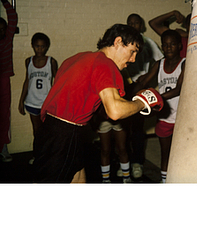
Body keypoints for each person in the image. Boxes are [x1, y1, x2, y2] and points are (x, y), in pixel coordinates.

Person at [33, 24, 164, 183]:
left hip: (57, 131)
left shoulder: (76, 58)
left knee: (79, 179)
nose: (133, 59)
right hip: (63, 137)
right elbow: (115, 111)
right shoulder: (105, 64)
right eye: (132, 51)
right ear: (117, 42)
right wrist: (142, 103)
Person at [136, 29, 185, 183]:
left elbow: (179, 89)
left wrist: (156, 98)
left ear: (179, 46)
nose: (168, 47)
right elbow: (144, 82)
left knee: (181, 154)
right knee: (165, 153)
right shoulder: (159, 64)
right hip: (164, 117)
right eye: (165, 45)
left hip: (182, 118)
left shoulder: (185, 63)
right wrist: (135, 95)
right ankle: (164, 182)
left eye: (172, 44)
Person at [125, 13, 164, 179]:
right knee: (124, 129)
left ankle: (137, 163)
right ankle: (125, 163)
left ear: (141, 26)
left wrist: (148, 76)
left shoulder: (148, 42)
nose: (134, 26)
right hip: (126, 86)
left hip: (141, 87)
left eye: (136, 23)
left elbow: (160, 60)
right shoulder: (123, 42)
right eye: (130, 23)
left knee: (138, 129)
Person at [18, 32, 58, 164]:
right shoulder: (28, 61)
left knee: (48, 131)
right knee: (37, 131)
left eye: (42, 46)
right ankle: (38, 155)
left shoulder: (51, 62)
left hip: (46, 103)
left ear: (46, 47)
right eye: (37, 46)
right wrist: (21, 101)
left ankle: (49, 155)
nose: (39, 49)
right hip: (32, 102)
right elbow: (27, 81)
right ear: (32, 46)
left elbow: (56, 83)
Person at [0, 0, 18, 162]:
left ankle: (3, 148)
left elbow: (12, 17)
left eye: (2, 28)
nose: (0, 31)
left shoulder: (7, 40)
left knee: (4, 114)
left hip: (4, 79)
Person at [98, 119, 131, 183]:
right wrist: (93, 123)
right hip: (103, 119)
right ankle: (105, 179)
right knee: (105, 150)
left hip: (120, 118)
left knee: (122, 149)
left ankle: (127, 178)